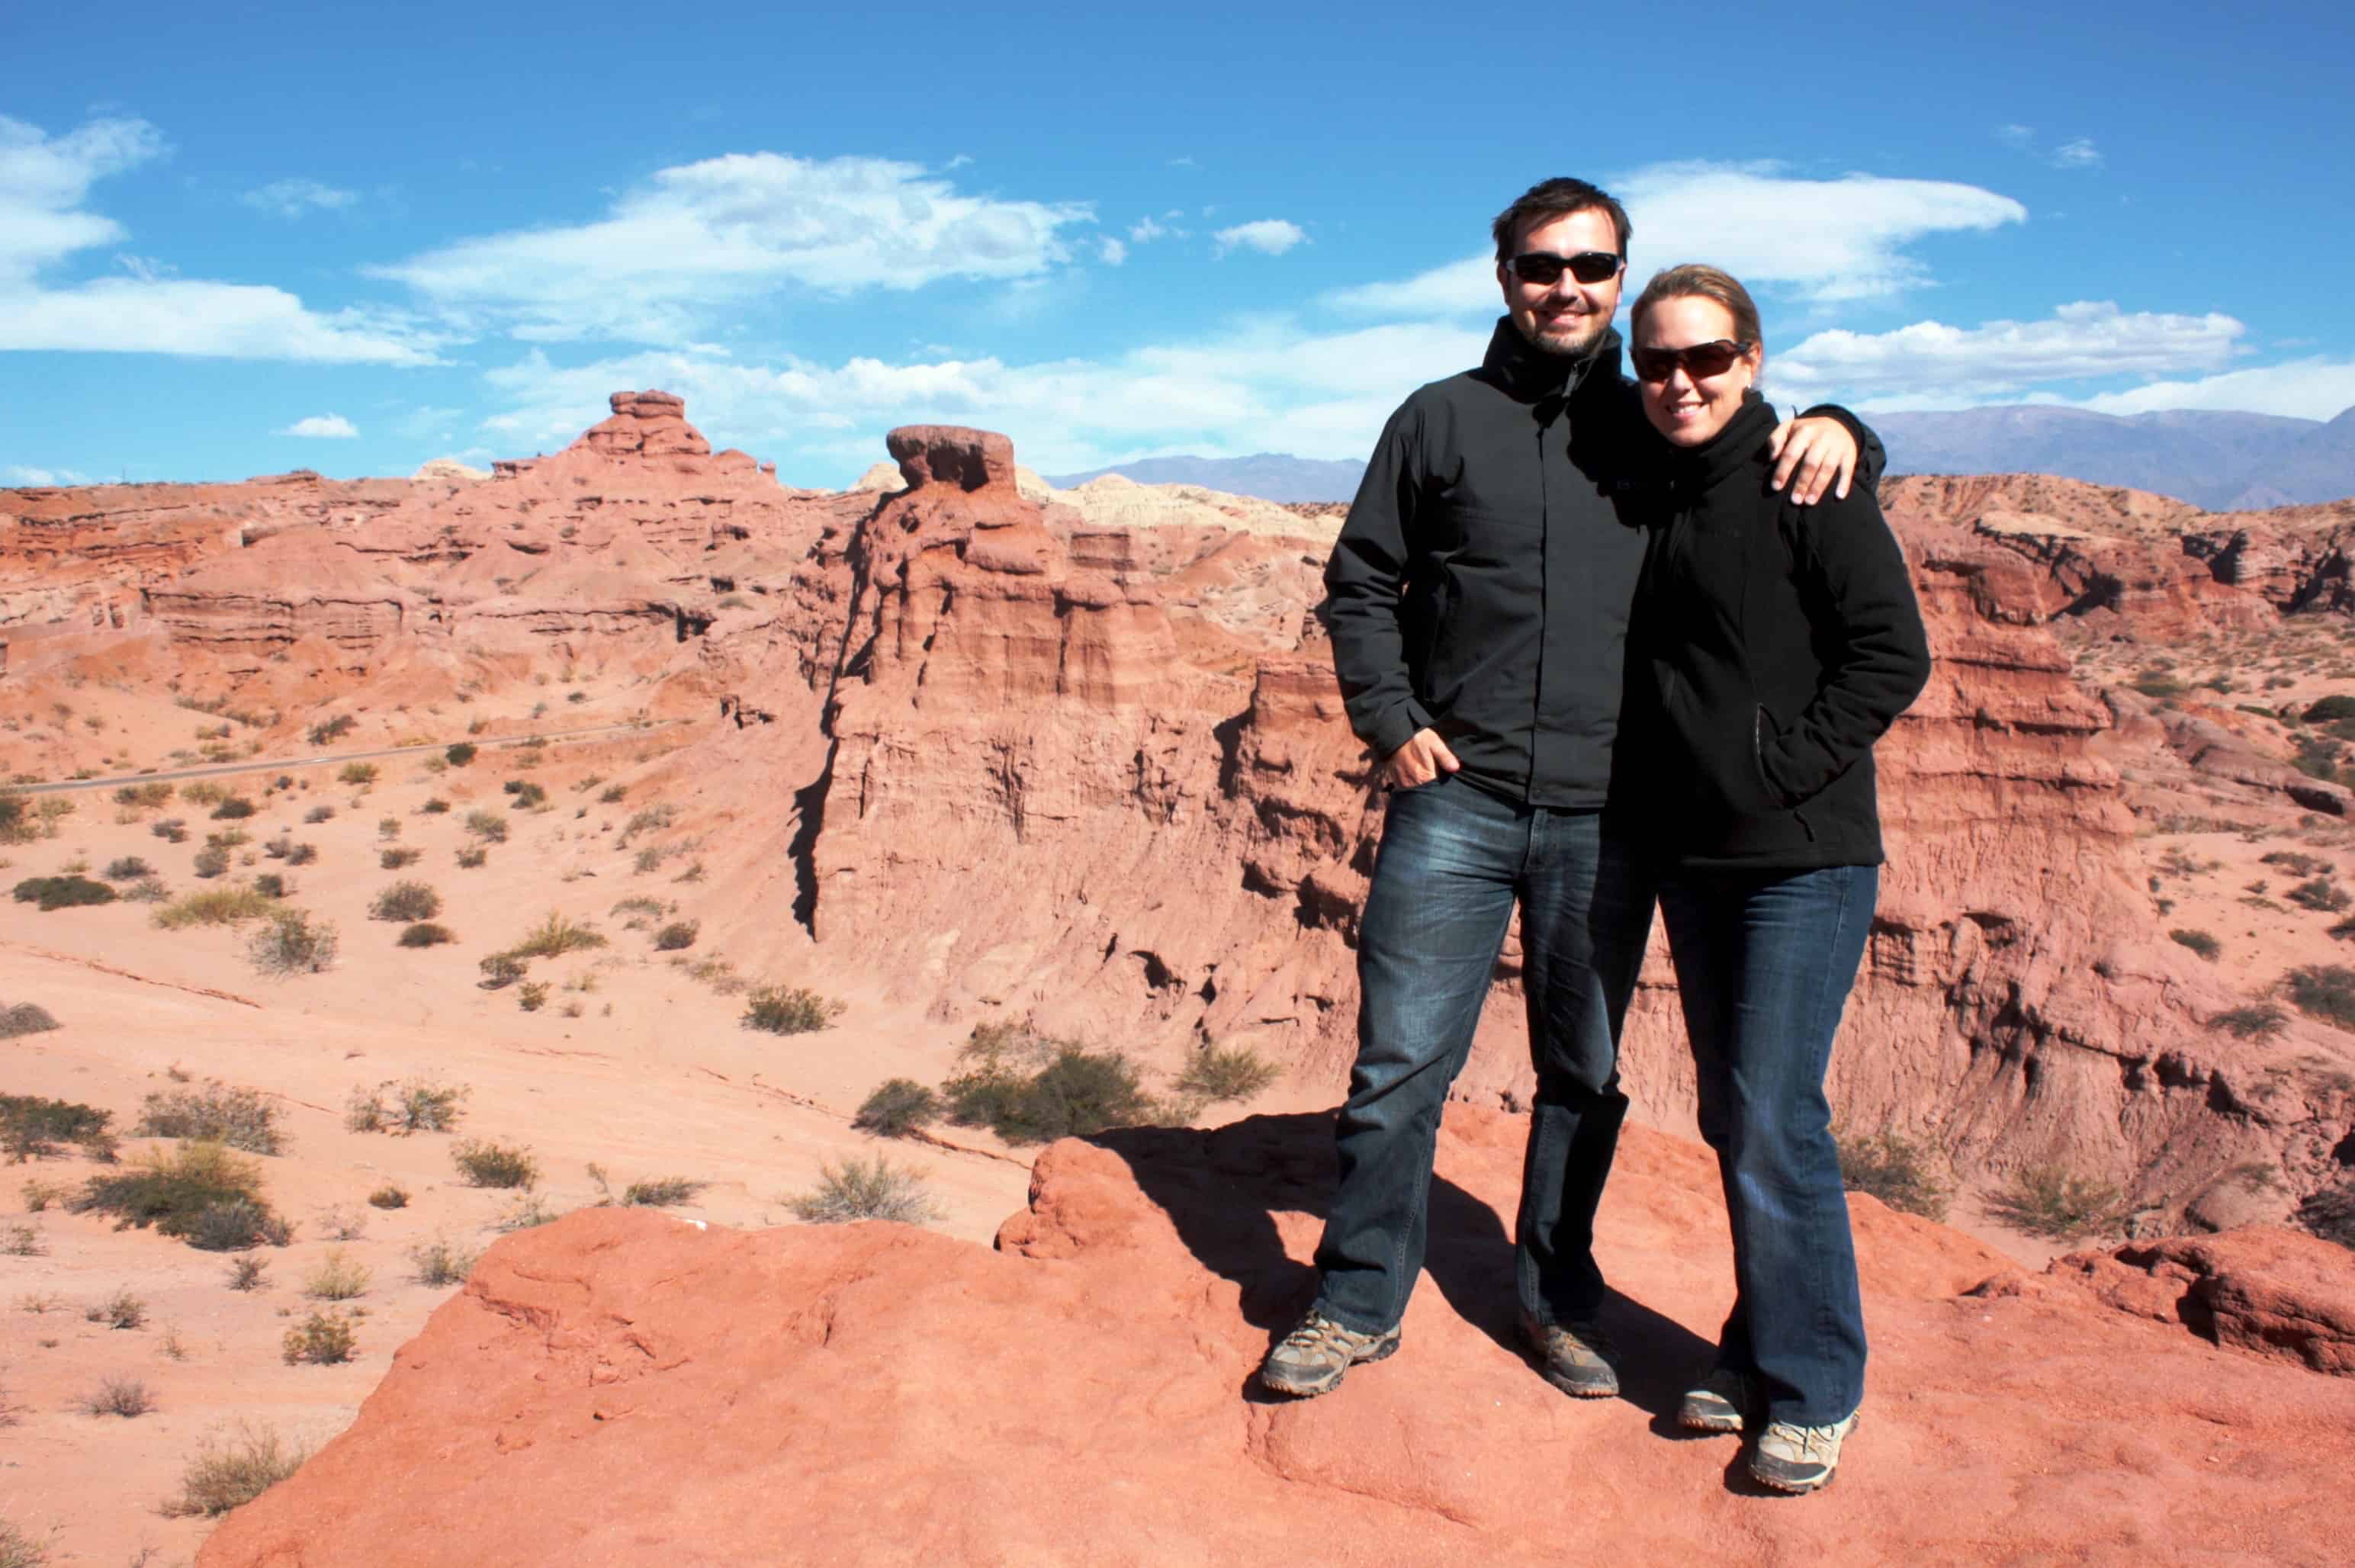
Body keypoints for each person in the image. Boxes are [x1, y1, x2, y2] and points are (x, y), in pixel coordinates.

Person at [1259, 177, 1884, 1403]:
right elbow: (1359, 582)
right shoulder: (1439, 419)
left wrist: (1849, 424)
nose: (1567, 288)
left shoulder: (1658, 418)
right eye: (1543, 267)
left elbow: (1769, 467)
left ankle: (1557, 1303)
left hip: (1611, 817)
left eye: (1592, 269)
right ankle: (1355, 1302)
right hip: (1459, 799)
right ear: (1505, 279)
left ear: (1617, 280)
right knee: (1400, 1067)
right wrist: (1389, 720)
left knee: (1582, 1076)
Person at [1618, 263, 1931, 1493]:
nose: (1679, 380)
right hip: (1691, 862)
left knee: (1773, 1115)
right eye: (1657, 362)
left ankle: (1814, 1387)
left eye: (1705, 357)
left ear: (1752, 359)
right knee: (1734, 1112)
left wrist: (1774, 770)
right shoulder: (1651, 472)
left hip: (1800, 858)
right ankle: (1755, 1348)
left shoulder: (1809, 472)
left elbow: (1890, 655)